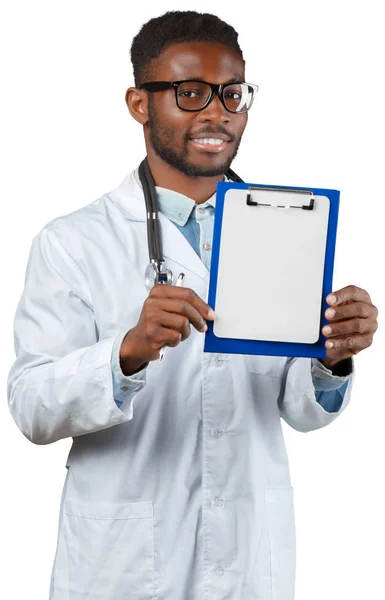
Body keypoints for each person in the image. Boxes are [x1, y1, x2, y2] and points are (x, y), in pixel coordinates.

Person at [7, 10, 378, 600]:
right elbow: (31, 407)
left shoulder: (289, 233)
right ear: (138, 104)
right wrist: (126, 353)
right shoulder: (74, 241)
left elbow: (303, 412)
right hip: (122, 567)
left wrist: (331, 359)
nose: (217, 113)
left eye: (232, 94)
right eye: (190, 93)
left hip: (250, 557)